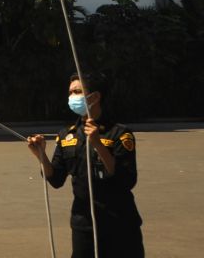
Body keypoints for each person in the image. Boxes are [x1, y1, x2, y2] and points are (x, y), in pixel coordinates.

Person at [27, 72, 144, 258]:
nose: (72, 97)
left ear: (95, 96)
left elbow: (126, 179)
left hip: (120, 223)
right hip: (84, 224)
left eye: (78, 92)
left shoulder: (119, 134)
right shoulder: (67, 135)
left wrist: (98, 143)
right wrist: (41, 155)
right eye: (70, 93)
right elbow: (56, 178)